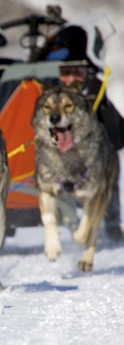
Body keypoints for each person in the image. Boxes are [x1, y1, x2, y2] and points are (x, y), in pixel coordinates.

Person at [45, 26, 124, 242]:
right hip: (63, 153)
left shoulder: (94, 88)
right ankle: (69, 219)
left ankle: (111, 220)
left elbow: (110, 127)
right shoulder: (52, 92)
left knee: (109, 170)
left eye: (74, 73)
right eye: (64, 73)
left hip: (96, 151)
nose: (68, 79)